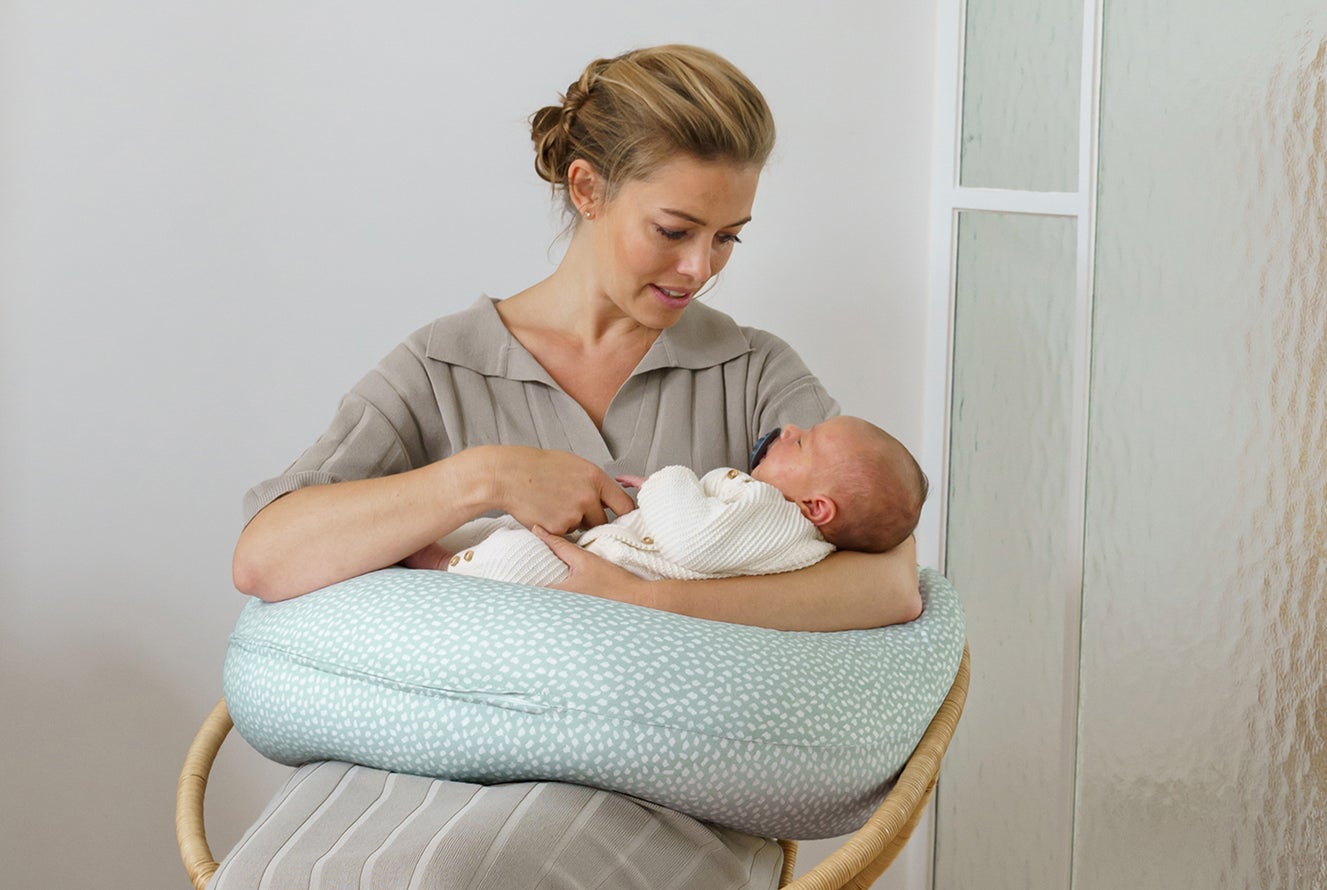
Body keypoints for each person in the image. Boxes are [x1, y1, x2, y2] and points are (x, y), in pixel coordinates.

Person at [216, 44, 923, 888]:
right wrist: (481, 478)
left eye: (727, 237)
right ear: (588, 190)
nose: (701, 269)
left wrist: (639, 600)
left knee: (481, 867)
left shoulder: (752, 372)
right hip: (419, 776)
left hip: (658, 800)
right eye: (674, 230)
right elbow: (264, 557)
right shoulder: (444, 367)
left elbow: (890, 585)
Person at [427, 416, 927, 587]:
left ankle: (437, 564)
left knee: (517, 555)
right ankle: (438, 551)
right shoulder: (785, 526)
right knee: (502, 536)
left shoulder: (779, 518)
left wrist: (667, 480)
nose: (790, 427)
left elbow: (695, 540)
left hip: (603, 568)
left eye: (802, 443)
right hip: (610, 548)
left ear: (817, 509)